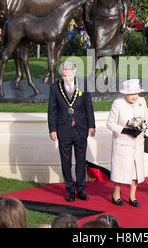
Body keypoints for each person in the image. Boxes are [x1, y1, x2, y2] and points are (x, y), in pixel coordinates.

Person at [48, 61, 95, 202]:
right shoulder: (55, 88)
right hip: (63, 129)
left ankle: (80, 189)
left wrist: (91, 126)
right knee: (66, 161)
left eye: (68, 75)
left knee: (81, 160)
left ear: (74, 73)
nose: (66, 78)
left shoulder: (84, 85)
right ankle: (70, 190)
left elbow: (89, 106)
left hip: (81, 129)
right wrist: (52, 129)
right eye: (63, 76)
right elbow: (52, 110)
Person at [85, 0, 128, 84]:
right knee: (99, 51)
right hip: (99, 20)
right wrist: (87, 15)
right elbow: (89, 1)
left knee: (116, 51)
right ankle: (104, 76)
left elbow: (124, 2)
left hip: (114, 20)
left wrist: (125, 21)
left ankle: (113, 76)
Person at [106, 79, 148, 207]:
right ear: (125, 94)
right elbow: (110, 123)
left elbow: (147, 119)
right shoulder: (118, 103)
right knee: (121, 171)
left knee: (136, 171)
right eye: (131, 94)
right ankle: (116, 194)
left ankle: (132, 196)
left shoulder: (142, 101)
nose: (134, 96)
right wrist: (125, 130)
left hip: (137, 144)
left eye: (136, 93)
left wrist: (141, 128)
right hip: (123, 143)